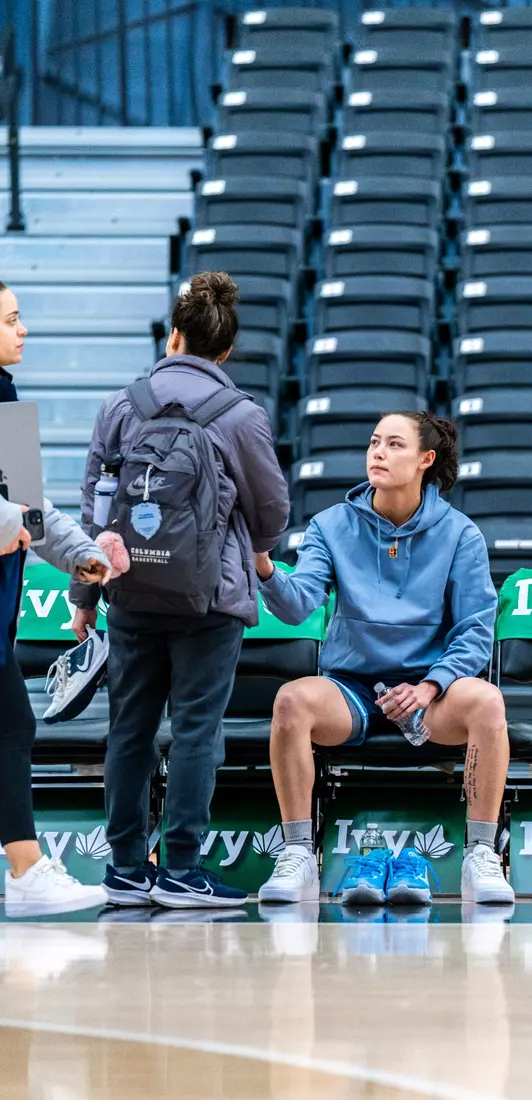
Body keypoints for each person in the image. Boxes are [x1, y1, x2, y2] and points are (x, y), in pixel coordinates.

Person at [70, 272, 290, 909]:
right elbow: (272, 511)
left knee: (128, 729)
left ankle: (124, 871)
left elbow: (94, 510)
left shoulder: (120, 405)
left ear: (174, 335)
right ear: (224, 350)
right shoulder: (239, 414)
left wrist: (86, 600)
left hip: (130, 592)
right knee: (196, 730)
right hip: (210, 599)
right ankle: (183, 871)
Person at [254, 411, 514, 907]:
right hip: (352, 687)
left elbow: (476, 630)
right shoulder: (330, 526)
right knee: (291, 702)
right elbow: (296, 605)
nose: (378, 452)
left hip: (428, 693)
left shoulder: (460, 534)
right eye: (374, 442)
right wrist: (265, 567)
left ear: (425, 460)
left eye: (395, 444)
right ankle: (297, 855)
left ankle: (480, 855)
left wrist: (431, 685)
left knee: (487, 703)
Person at [0, 281, 111, 915]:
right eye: (13, 320)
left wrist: (82, 554)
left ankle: (25, 870)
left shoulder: (6, 399)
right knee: (11, 723)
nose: (24, 331)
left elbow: (29, 513)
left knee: (10, 724)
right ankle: (25, 871)